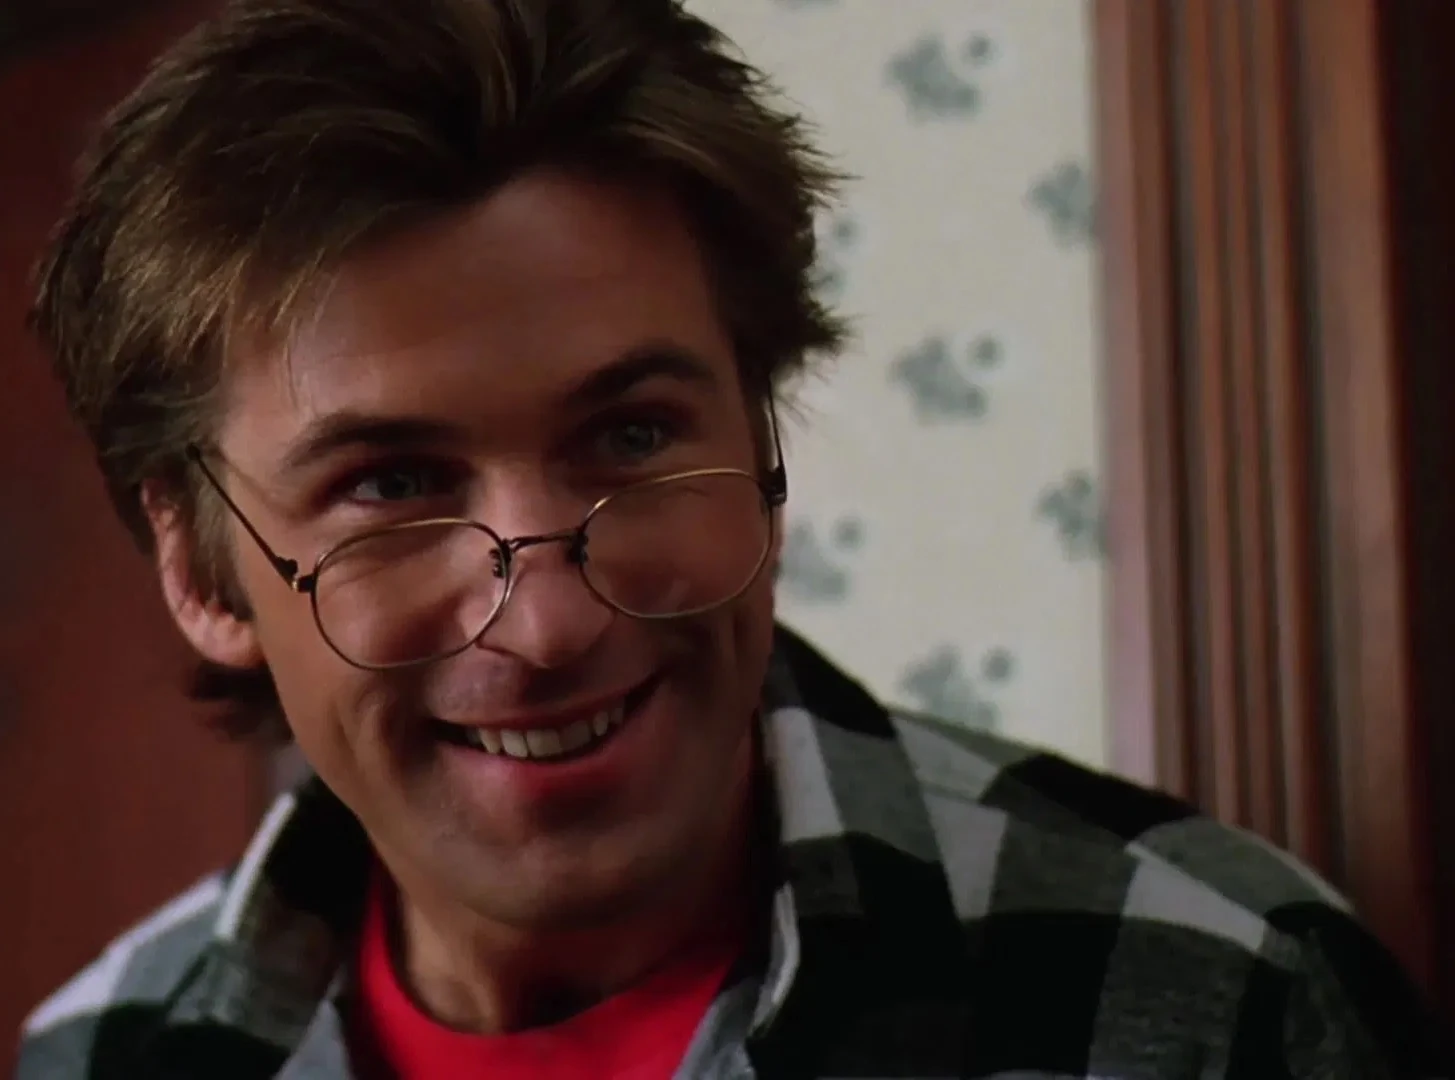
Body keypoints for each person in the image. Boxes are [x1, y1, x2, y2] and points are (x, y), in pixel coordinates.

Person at [13, 1, 1449, 1077]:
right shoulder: (104, 1053)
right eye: (390, 485)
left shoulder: (1222, 1003)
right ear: (200, 573)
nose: (551, 618)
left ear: (758, 438)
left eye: (634, 436)